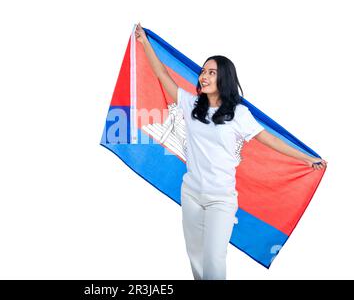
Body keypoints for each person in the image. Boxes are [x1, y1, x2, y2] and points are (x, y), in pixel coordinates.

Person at [134, 23, 327, 280]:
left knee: (214, 260)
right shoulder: (191, 105)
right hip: (191, 192)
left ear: (223, 77)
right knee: (196, 258)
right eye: (203, 71)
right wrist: (144, 42)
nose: (204, 75)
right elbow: (161, 74)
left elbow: (269, 140)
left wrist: (307, 158)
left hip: (220, 199)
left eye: (211, 72)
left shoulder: (239, 114)